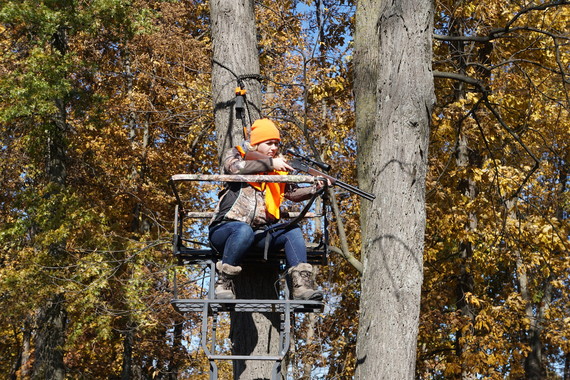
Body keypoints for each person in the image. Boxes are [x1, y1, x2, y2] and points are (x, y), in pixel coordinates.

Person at [208, 118, 324, 301]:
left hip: (258, 234)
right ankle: (223, 284)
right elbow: (234, 168)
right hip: (225, 230)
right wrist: (270, 164)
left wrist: (314, 189)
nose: (274, 148)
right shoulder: (237, 154)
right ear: (255, 144)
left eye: (276, 144)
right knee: (242, 229)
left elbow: (292, 193)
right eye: (269, 143)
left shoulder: (277, 171)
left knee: (292, 230)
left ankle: (302, 288)